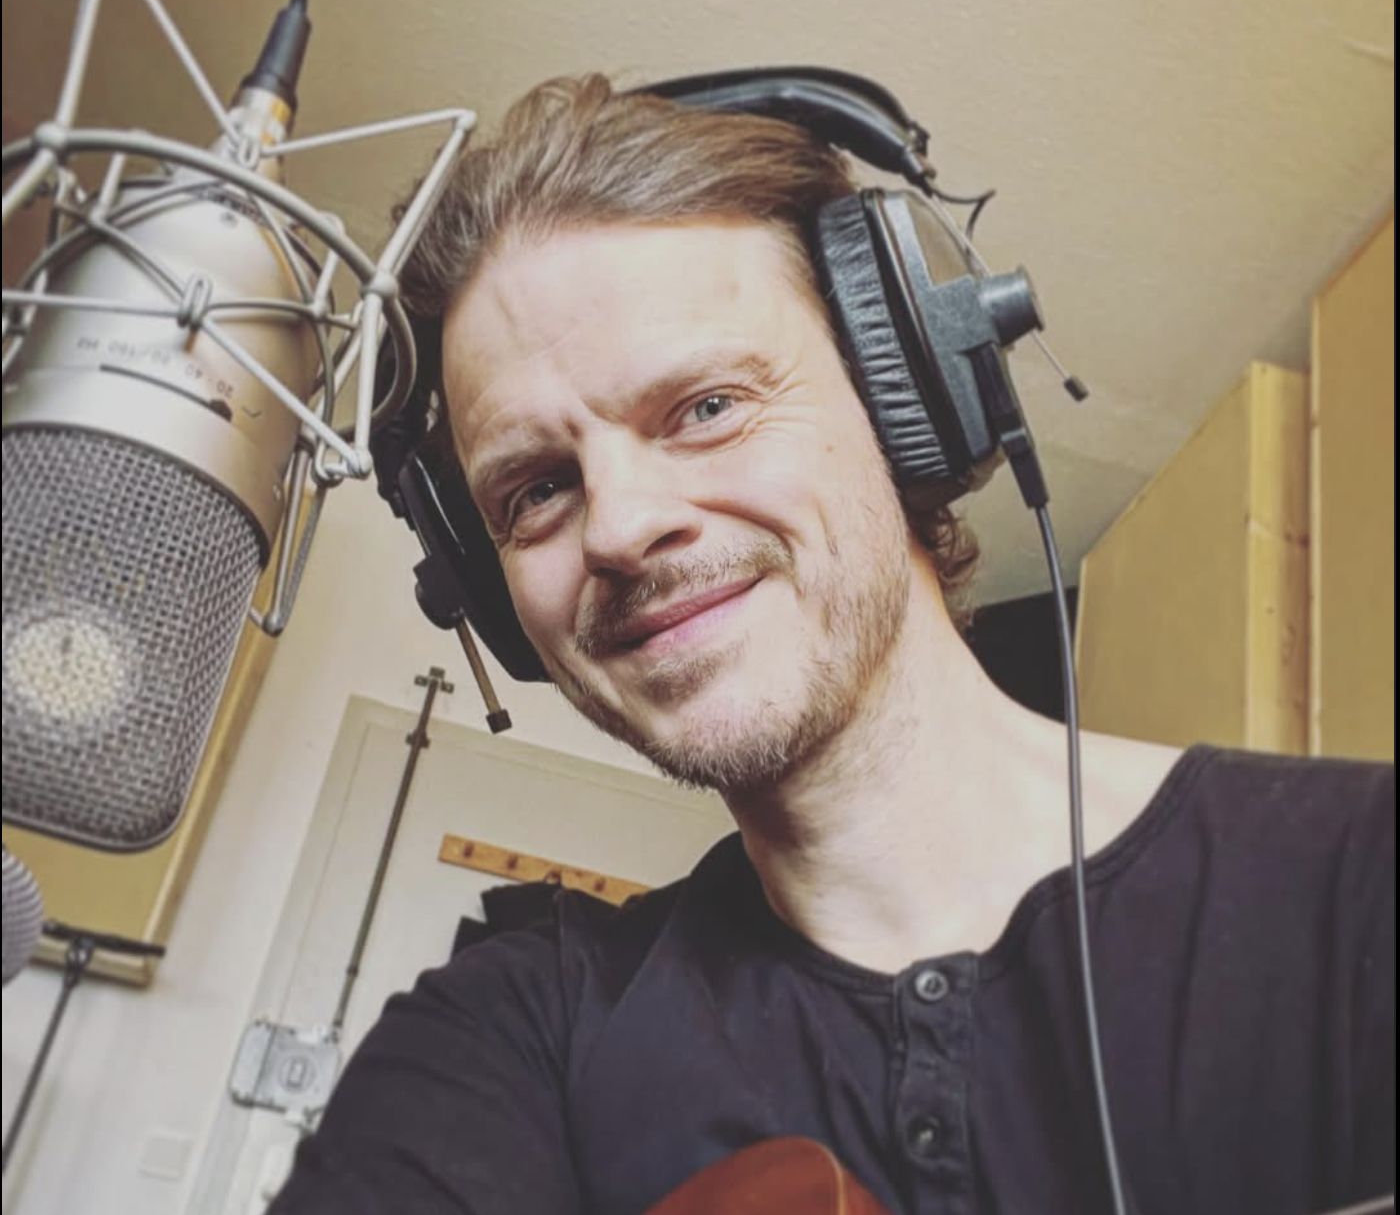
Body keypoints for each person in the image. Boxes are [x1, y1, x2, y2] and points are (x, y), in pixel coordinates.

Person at [270, 75, 1394, 1215]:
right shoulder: (507, 1036)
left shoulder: (1362, 883)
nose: (617, 526)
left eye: (703, 407)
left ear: (903, 397)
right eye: (537, 488)